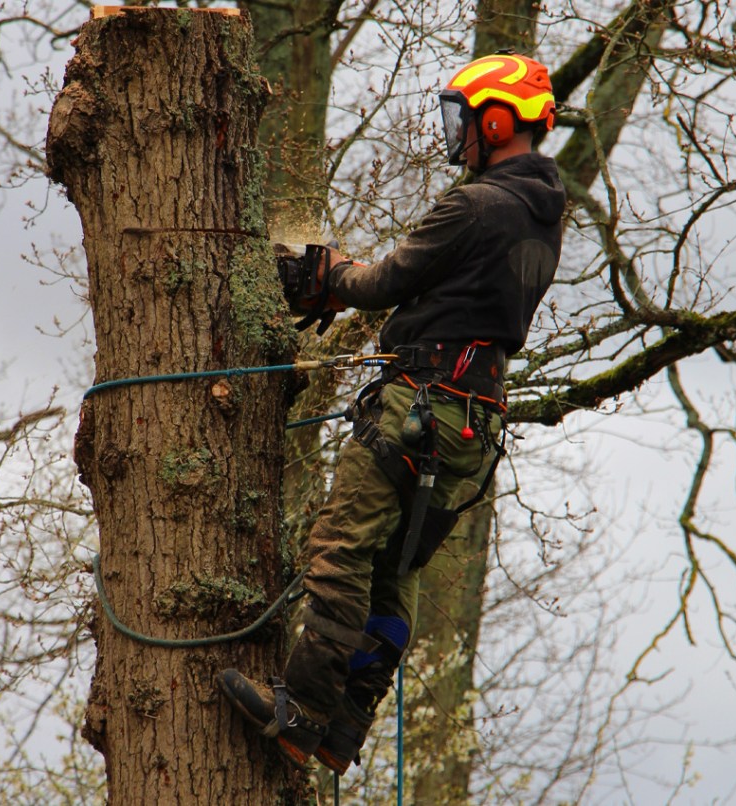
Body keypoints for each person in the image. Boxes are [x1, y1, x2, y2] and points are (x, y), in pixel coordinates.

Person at [218, 52, 566, 775]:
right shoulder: (543, 218)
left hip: (419, 406)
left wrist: (326, 276)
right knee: (393, 569)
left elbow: (383, 283)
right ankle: (346, 726)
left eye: (467, 120)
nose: (459, 134)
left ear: (498, 119)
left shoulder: (474, 205)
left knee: (341, 547)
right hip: (473, 425)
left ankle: (303, 707)